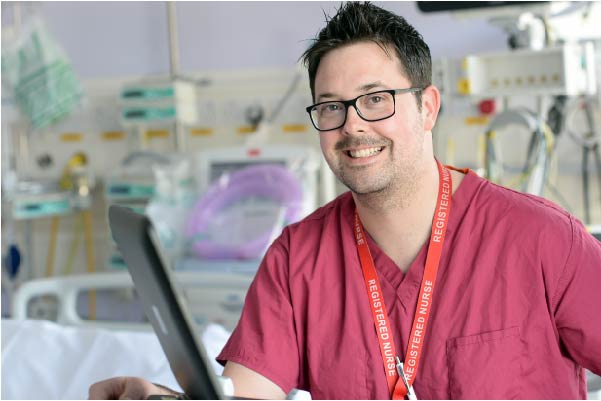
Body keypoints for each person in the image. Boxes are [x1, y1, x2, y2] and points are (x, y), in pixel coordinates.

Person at [89, 2, 601, 399]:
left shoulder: (543, 240)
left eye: (376, 99)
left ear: (428, 107)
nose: (352, 124)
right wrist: (162, 397)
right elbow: (247, 393)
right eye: (331, 107)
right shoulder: (296, 260)